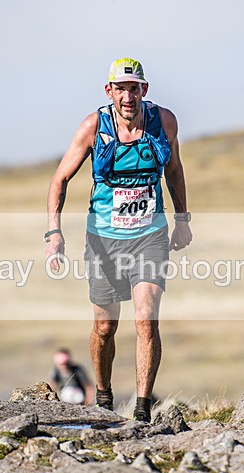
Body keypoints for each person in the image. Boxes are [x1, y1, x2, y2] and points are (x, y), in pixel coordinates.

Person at [45, 58, 192, 422]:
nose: (128, 96)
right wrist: (54, 233)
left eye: (134, 87)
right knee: (105, 327)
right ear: (109, 91)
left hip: (149, 235)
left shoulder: (165, 122)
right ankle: (105, 397)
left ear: (144, 89)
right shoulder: (93, 126)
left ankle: (142, 409)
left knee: (146, 319)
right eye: (121, 88)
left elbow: (173, 170)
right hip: (104, 240)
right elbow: (59, 179)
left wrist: (182, 219)